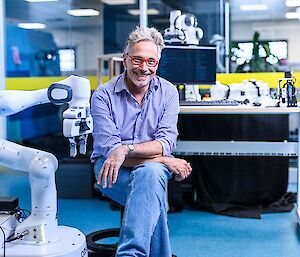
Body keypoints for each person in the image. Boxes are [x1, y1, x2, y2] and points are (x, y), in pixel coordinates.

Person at [91, 26, 192, 257]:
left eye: (151, 62)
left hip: (148, 169)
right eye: (137, 60)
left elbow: (166, 141)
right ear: (125, 59)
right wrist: (165, 160)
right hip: (110, 172)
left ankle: (130, 254)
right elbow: (111, 153)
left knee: (149, 178)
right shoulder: (103, 95)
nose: (144, 68)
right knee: (151, 185)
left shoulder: (168, 92)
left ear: (158, 62)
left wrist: (128, 149)